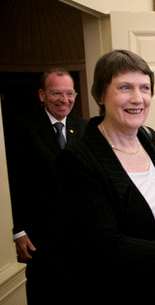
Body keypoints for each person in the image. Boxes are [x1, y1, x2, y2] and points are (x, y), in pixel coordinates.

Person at [55, 50, 155, 305]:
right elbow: (106, 248)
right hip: (109, 292)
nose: (137, 98)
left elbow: (153, 219)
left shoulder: (147, 137)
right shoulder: (78, 159)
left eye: (145, 88)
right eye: (125, 87)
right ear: (100, 95)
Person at [5, 68, 87, 304]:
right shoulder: (20, 128)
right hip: (40, 237)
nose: (64, 99)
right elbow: (12, 182)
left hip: (79, 237)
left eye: (69, 93)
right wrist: (18, 231)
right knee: (47, 295)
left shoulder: (83, 128)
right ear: (42, 95)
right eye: (56, 93)